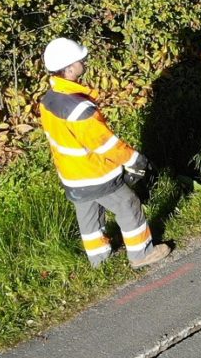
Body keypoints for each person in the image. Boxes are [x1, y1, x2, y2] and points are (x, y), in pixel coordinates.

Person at [39, 37, 171, 270]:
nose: (85, 61)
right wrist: (134, 160)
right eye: (80, 59)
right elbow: (105, 144)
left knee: (89, 216)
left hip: (72, 175)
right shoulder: (79, 109)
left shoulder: (48, 100)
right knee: (128, 204)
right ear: (69, 68)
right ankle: (142, 254)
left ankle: (99, 261)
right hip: (95, 173)